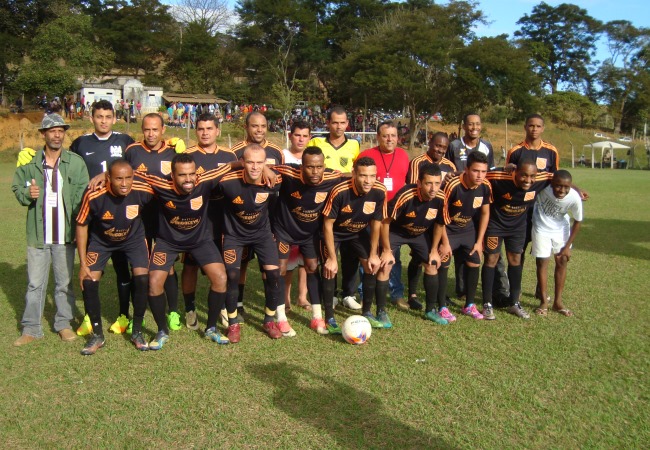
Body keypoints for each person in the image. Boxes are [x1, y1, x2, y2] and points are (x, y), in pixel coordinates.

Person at [138, 153, 233, 349]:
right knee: (154, 283)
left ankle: (211, 328)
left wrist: (265, 168)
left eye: (191, 174)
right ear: (172, 175)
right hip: (167, 242)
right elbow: (132, 174)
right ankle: (162, 331)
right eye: (182, 175)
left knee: (221, 278)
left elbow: (232, 165)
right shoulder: (160, 184)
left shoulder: (204, 181)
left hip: (200, 241)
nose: (188, 179)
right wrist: (102, 176)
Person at [12, 114, 89, 346]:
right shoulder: (31, 163)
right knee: (36, 284)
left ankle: (63, 323)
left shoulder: (75, 163)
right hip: (38, 235)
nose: (57, 135)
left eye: (60, 131)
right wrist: (27, 194)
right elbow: (17, 187)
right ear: (43, 134)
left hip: (64, 235)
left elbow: (82, 198)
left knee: (64, 283)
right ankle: (31, 327)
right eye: (52, 131)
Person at [75, 160, 153, 354]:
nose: (124, 183)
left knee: (142, 279)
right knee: (89, 281)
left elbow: (167, 188)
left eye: (128, 178)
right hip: (101, 242)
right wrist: (83, 262)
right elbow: (81, 224)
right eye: (119, 178)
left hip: (133, 240)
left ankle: (136, 331)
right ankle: (97, 335)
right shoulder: (94, 194)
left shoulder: (143, 189)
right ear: (108, 178)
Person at [217, 145, 286, 342]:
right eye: (250, 162)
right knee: (232, 275)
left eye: (259, 162)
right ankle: (233, 324)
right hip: (234, 235)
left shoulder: (274, 180)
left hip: (262, 234)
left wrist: (266, 169)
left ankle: (269, 320)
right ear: (242, 162)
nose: (254, 167)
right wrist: (233, 164)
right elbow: (208, 177)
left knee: (274, 274)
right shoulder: (227, 182)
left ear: (265, 163)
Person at [273, 147, 344, 334]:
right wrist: (265, 168)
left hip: (310, 233)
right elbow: (268, 168)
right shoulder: (289, 172)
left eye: (319, 167)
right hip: (284, 230)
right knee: (280, 269)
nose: (315, 171)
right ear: (301, 166)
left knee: (313, 267)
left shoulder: (332, 177)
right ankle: (280, 318)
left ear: (324, 166)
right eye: (310, 167)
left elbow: (348, 177)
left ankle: (317, 317)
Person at [321, 157, 393, 333]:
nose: (368, 181)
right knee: (330, 268)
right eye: (363, 176)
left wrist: (375, 253)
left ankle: (367, 312)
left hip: (357, 232)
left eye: (372, 176)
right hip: (335, 232)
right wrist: (331, 257)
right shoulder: (339, 191)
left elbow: (377, 223)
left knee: (370, 265)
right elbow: (327, 225)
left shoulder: (379, 191)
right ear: (353, 174)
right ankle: (329, 317)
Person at [124, 113, 182, 331]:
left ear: (163, 130)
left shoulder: (173, 152)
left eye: (155, 129)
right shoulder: (133, 151)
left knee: (167, 268)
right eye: (147, 129)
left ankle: (173, 312)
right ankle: (136, 314)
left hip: (165, 219)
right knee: (139, 268)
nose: (151, 134)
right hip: (137, 219)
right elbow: (121, 173)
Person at [180, 113, 237, 330]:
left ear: (217, 131)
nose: (205, 133)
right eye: (201, 129)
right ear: (196, 131)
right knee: (190, 265)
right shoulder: (188, 155)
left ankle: (222, 305)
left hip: (223, 219)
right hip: (196, 220)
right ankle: (190, 307)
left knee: (224, 265)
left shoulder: (229, 155)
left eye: (209, 129)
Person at [482, 160, 553, 320]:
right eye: (524, 175)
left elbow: (558, 177)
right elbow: (476, 174)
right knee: (491, 259)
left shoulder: (541, 179)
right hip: (495, 225)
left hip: (518, 227)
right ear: (515, 172)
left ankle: (514, 303)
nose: (528, 180)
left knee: (515, 259)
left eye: (532, 176)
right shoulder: (498, 177)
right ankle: (487, 304)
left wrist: (578, 190)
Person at [229, 112, 284, 319]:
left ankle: (270, 308)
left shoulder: (277, 150)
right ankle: (239, 303)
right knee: (241, 263)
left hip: (267, 217)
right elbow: (231, 171)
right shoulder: (235, 150)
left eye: (263, 126)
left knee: (267, 265)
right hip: (240, 218)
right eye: (254, 126)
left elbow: (280, 180)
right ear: (246, 127)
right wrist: (266, 168)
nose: (259, 130)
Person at [308, 106, 361, 310]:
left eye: (342, 122)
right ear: (328, 123)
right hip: (323, 203)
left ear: (347, 123)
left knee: (350, 252)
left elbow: (357, 173)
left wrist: (340, 176)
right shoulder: (317, 142)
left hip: (348, 204)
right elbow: (310, 167)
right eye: (335, 122)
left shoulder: (355, 145)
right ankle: (330, 292)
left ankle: (348, 293)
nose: (339, 126)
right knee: (328, 251)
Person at [385, 164, 449, 325]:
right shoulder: (406, 194)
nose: (433, 188)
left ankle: (430, 310)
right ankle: (380, 311)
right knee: (385, 264)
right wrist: (386, 249)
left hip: (419, 234)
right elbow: (385, 222)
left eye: (437, 183)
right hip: (396, 232)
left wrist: (434, 250)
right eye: (428, 183)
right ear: (419, 183)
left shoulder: (441, 197)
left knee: (432, 264)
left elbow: (440, 225)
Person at [433, 151, 492, 322]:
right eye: (475, 171)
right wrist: (444, 242)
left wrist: (480, 241)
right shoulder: (452, 185)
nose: (480, 175)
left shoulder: (485, 186)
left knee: (474, 261)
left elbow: (485, 213)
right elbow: (440, 215)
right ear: (466, 169)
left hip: (468, 230)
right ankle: (442, 305)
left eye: (483, 171)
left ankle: (469, 305)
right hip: (448, 229)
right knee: (443, 262)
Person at [358, 121, 410, 310]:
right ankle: (365, 294)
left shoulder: (404, 155)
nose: (390, 139)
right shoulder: (366, 155)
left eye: (393, 135)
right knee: (368, 255)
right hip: (370, 214)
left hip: (394, 214)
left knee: (392, 254)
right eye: (385, 135)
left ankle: (396, 293)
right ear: (378, 137)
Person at [404, 132, 456, 309]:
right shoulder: (418, 162)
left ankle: (440, 294)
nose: (440, 150)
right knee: (418, 257)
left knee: (440, 255)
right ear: (430, 143)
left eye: (444, 147)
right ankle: (412, 294)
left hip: (439, 214)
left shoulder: (450, 166)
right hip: (420, 216)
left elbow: (450, 191)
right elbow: (412, 189)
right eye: (437, 145)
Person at [532, 170, 583, 317]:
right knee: (542, 262)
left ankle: (558, 302)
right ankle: (543, 302)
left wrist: (567, 247)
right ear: (552, 184)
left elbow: (578, 222)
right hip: (541, 228)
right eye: (558, 186)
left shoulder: (574, 197)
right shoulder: (543, 188)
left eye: (566, 187)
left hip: (561, 230)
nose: (562, 190)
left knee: (562, 261)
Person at [280, 121, 313, 311]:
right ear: (290, 135)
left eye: (305, 135)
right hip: (288, 216)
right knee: (289, 260)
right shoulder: (282, 156)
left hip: (308, 217)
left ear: (310, 138)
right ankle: (285, 298)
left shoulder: (312, 157)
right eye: (297, 135)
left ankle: (302, 296)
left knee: (305, 261)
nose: (301, 139)